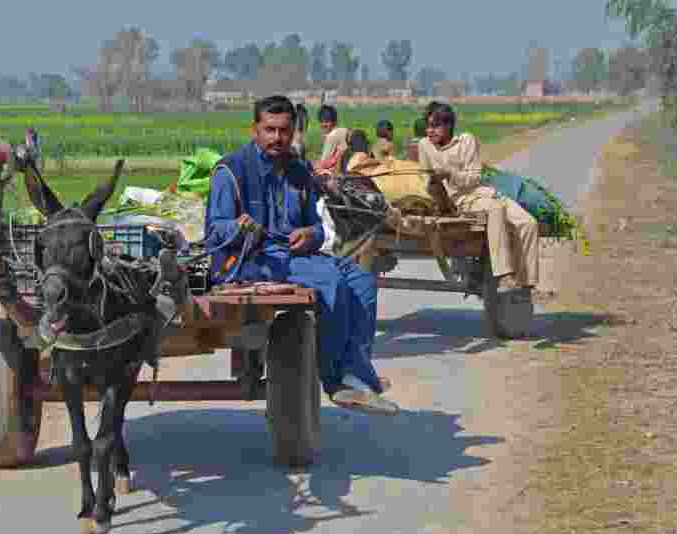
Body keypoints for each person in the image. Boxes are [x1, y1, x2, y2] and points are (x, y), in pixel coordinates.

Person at [204, 95, 399, 414]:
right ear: (255, 129)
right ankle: (336, 382)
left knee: (362, 279)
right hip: (251, 261)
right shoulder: (231, 170)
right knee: (330, 280)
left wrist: (311, 234)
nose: (277, 138)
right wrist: (239, 228)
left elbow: (318, 227)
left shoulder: (299, 170)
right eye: (269, 130)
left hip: (294, 257)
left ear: (292, 129)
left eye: (283, 130)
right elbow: (214, 232)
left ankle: (356, 371)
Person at [416, 101, 539, 291]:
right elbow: (424, 178)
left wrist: (450, 174)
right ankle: (503, 275)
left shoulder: (467, 141)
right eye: (428, 126)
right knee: (495, 210)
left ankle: (526, 283)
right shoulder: (424, 146)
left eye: (435, 126)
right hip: (460, 201)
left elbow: (474, 178)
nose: (430, 131)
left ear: (448, 126)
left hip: (483, 193)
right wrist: (434, 186)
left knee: (528, 223)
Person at [312, 104, 350, 176]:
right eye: (322, 121)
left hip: (335, 172)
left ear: (333, 122)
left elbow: (324, 161)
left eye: (327, 122)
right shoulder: (343, 130)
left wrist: (315, 165)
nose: (323, 124)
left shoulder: (332, 136)